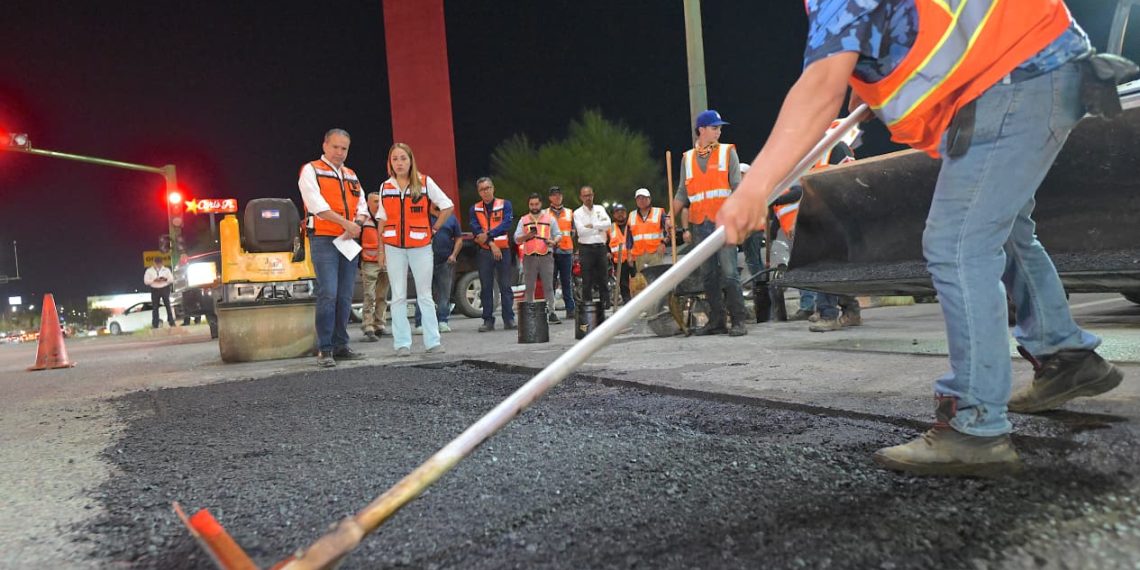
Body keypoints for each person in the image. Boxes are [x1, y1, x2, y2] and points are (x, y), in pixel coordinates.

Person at [716, 1, 1124, 476]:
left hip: (1016, 79)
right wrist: (871, 81)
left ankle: (975, 426)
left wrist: (754, 187)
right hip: (1035, 67)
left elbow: (818, 89)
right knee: (1002, 228)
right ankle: (1064, 354)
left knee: (958, 243)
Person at [298, 128, 370, 368]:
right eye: (336, 147)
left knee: (345, 294)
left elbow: (362, 206)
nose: (340, 152)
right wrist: (346, 223)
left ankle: (341, 344)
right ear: (325, 145)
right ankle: (325, 348)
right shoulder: (311, 170)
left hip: (348, 240)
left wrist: (356, 225)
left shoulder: (351, 175)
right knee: (328, 292)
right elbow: (316, 204)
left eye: (344, 148)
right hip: (323, 239)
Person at [673, 109, 748, 337]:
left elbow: (737, 187)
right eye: (714, 127)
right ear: (701, 130)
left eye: (719, 127)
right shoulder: (687, 158)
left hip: (723, 223)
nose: (719, 131)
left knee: (729, 273)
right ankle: (716, 321)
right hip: (700, 225)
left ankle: (738, 321)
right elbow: (681, 194)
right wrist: (669, 216)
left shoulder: (727, 153)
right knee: (708, 276)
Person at [377, 143, 454, 356]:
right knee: (398, 296)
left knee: (425, 295)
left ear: (411, 160)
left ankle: (433, 342)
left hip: (420, 246)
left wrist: (435, 228)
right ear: (390, 163)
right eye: (395, 159)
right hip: (393, 247)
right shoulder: (385, 187)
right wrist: (380, 249)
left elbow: (447, 206)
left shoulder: (425, 183)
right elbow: (382, 219)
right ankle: (402, 343)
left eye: (403, 158)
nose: (399, 163)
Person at [470, 176, 515, 332]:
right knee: (486, 286)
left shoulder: (505, 204)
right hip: (485, 252)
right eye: (482, 189)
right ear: (479, 192)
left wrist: (488, 235)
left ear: (493, 188)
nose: (486, 191)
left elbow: (506, 224)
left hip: (503, 250)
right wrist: (490, 243)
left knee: (505, 286)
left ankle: (509, 319)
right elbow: (475, 229)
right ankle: (488, 320)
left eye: (488, 188)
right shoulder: (474, 209)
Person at [414, 202, 463, 333]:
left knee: (444, 294)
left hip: (445, 262)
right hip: (424, 262)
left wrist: (454, 255)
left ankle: (443, 321)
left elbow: (459, 238)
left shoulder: (450, 218)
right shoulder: (422, 217)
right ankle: (420, 323)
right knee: (423, 293)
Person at [515, 193, 562, 324]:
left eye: (536, 204)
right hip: (529, 256)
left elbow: (558, 234)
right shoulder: (523, 220)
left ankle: (551, 312)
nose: (534, 206)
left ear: (541, 204)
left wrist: (553, 241)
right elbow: (516, 238)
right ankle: (530, 312)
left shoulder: (549, 219)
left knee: (548, 286)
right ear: (528, 205)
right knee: (529, 286)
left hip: (545, 255)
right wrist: (527, 236)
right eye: (531, 204)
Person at [573, 185, 611, 310]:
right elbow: (581, 231)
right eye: (585, 196)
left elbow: (608, 224)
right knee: (587, 279)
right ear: (581, 197)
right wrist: (599, 228)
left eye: (589, 195)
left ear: (593, 195)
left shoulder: (600, 209)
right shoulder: (577, 213)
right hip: (586, 248)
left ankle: (606, 303)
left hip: (600, 247)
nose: (588, 198)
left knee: (603, 277)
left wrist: (593, 225)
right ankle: (588, 304)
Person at [359, 191, 389, 342]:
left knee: (382, 296)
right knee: (369, 295)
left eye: (380, 201)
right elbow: (357, 241)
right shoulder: (363, 220)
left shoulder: (386, 217)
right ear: (368, 203)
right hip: (369, 261)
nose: (379, 204)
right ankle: (368, 326)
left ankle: (379, 325)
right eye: (376, 201)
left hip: (385, 261)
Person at [545, 186, 577, 319]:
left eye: (559, 194)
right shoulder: (545, 213)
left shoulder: (570, 213)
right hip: (550, 252)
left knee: (566, 281)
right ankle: (550, 310)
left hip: (566, 251)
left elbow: (574, 232)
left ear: (562, 196)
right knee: (550, 281)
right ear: (550, 198)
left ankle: (570, 309)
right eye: (554, 195)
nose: (557, 197)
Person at [628, 188, 670, 273]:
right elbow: (629, 238)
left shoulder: (659, 212)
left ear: (649, 199)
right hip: (638, 255)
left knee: (657, 278)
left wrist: (664, 243)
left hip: (655, 253)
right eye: (639, 198)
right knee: (643, 282)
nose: (641, 200)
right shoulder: (631, 215)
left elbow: (669, 231)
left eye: (644, 198)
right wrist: (629, 254)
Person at [608, 203, 633, 305]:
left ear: (626, 213)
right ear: (613, 215)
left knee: (637, 282)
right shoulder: (610, 228)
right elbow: (605, 242)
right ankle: (628, 304)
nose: (620, 214)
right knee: (623, 284)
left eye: (622, 212)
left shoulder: (632, 225)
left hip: (633, 258)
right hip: (619, 261)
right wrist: (607, 253)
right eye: (617, 212)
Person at [143, 256, 176, 329]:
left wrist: (165, 279)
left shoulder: (166, 270)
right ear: (154, 263)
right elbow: (146, 281)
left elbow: (171, 279)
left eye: (159, 263)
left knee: (168, 305)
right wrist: (153, 280)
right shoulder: (149, 270)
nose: (158, 265)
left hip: (164, 288)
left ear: (162, 263)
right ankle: (155, 324)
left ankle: (171, 322)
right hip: (155, 289)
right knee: (155, 307)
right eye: (157, 263)